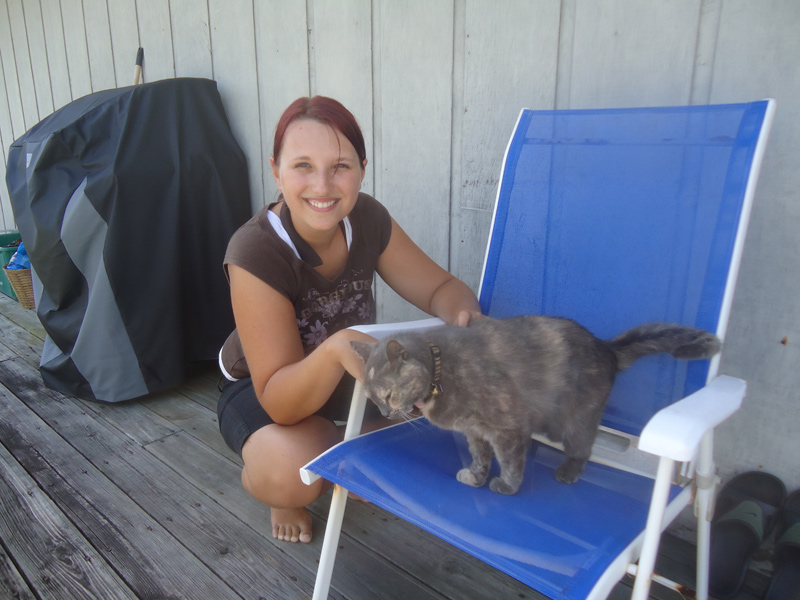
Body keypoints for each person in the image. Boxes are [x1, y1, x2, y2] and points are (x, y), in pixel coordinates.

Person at [217, 96, 482, 544]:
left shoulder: (368, 219)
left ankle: (345, 453)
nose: (322, 186)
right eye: (303, 165)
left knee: (452, 410)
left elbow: (441, 289)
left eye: (340, 166)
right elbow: (279, 400)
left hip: (351, 377)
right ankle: (293, 479)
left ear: (362, 169)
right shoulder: (255, 251)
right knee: (288, 473)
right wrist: (338, 347)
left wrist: (464, 321)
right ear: (276, 171)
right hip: (268, 389)